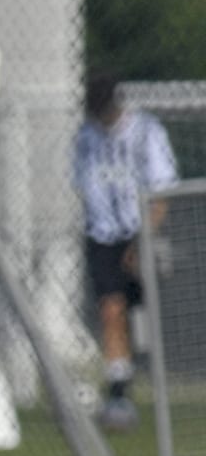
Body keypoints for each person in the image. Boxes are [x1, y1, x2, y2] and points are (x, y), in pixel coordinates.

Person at [72, 72, 178, 430]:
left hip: (139, 231)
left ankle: (143, 375)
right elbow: (84, 187)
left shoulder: (146, 131)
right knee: (111, 308)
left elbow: (161, 190)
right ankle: (118, 389)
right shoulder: (86, 138)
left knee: (142, 316)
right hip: (103, 236)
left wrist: (143, 239)